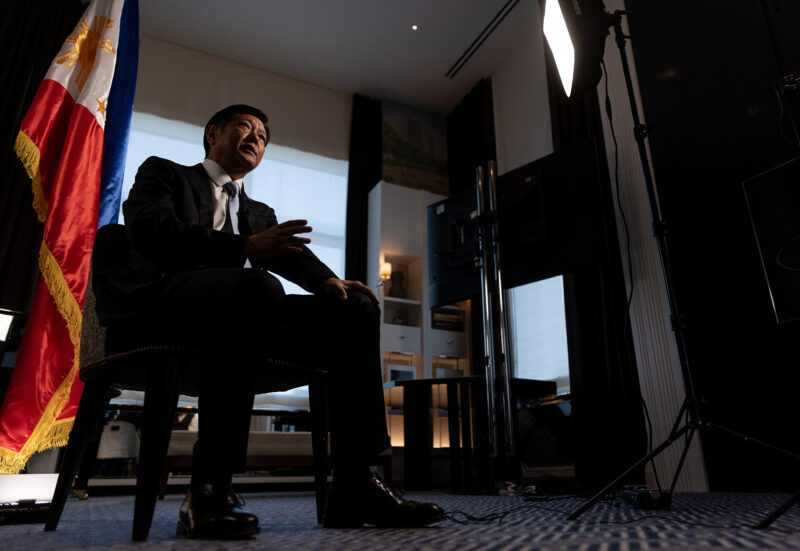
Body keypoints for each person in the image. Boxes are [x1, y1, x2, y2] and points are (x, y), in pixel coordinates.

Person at [119, 105, 444, 538]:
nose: (256, 137)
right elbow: (151, 230)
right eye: (245, 126)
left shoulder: (259, 212)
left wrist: (328, 280)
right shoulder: (165, 173)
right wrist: (245, 248)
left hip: (246, 315)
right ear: (213, 133)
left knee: (356, 307)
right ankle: (209, 487)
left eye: (263, 136)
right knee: (257, 286)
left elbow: (291, 256)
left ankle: (355, 482)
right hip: (174, 307)